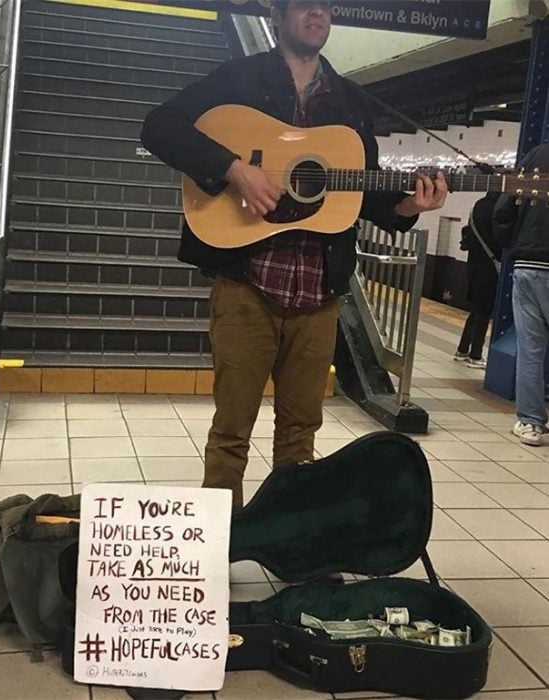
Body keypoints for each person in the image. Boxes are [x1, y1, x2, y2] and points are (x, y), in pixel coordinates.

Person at [141, 0, 448, 508]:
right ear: (278, 16)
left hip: (320, 295)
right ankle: (221, 547)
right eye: (305, 5)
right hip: (247, 286)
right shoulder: (237, 79)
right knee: (231, 432)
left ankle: (291, 540)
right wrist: (234, 168)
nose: (318, 14)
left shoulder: (350, 104)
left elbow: (362, 195)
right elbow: (158, 127)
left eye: (326, 7)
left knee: (301, 438)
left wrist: (409, 206)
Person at [494, 143, 549, 447]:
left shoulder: (537, 156)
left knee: (530, 352)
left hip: (528, 264)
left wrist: (513, 242)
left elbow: (503, 209)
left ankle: (530, 424)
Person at [454, 193, 502, 369]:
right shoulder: (498, 207)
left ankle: (462, 349)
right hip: (490, 266)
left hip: (474, 264)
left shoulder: (478, 205)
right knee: (484, 310)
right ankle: (475, 355)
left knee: (476, 309)